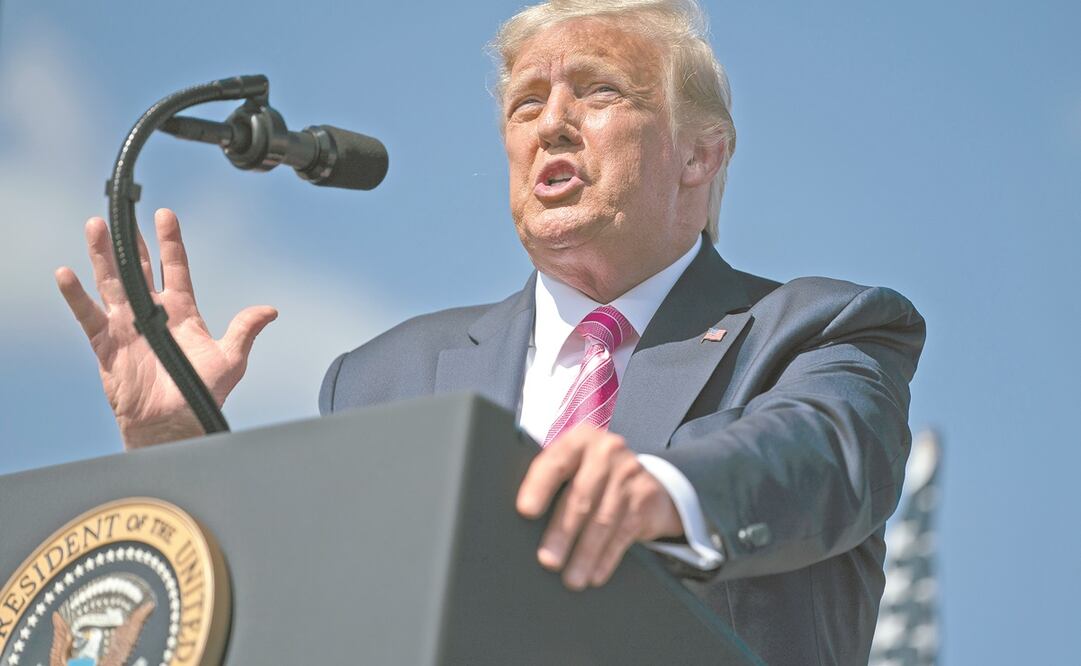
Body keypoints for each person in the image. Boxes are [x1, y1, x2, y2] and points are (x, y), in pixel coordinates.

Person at [55, 1, 925, 663]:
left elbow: (823, 457)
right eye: (524, 104)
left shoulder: (816, 329)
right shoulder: (381, 378)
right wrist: (179, 456)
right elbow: (305, 611)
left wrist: (658, 489)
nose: (551, 122)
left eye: (597, 91)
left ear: (700, 155)